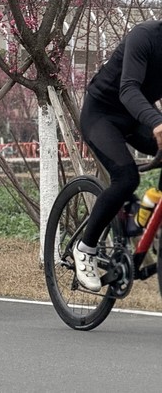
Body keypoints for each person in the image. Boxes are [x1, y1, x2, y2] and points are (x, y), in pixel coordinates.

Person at [74, 19, 162, 291]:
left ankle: (146, 223)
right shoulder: (145, 36)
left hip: (138, 119)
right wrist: (157, 122)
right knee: (126, 178)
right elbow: (128, 89)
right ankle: (85, 248)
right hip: (102, 115)